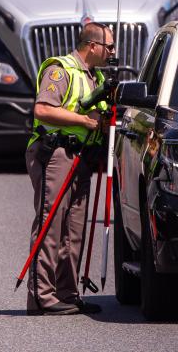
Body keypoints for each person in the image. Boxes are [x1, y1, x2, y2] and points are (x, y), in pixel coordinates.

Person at [25, 21, 115, 316]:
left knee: (74, 228)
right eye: (109, 47)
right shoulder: (60, 70)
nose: (113, 52)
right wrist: (86, 122)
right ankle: (41, 296)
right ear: (92, 46)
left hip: (83, 158)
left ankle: (67, 291)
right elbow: (43, 109)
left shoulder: (95, 77)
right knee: (51, 224)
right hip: (56, 153)